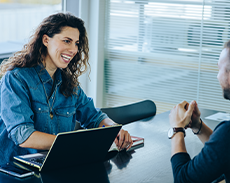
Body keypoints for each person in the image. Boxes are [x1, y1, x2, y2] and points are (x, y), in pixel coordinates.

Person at [0, 12, 132, 165]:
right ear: (45, 40)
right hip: (15, 171)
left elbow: (94, 117)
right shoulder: (16, 79)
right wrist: (74, 143)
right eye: (67, 41)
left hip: (55, 164)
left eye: (76, 43)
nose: (73, 49)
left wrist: (114, 130)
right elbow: (23, 135)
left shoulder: (69, 84)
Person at [168, 36, 230, 183]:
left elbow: (183, 180)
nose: (217, 76)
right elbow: (227, 151)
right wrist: (197, 125)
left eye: (219, 69)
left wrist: (176, 129)